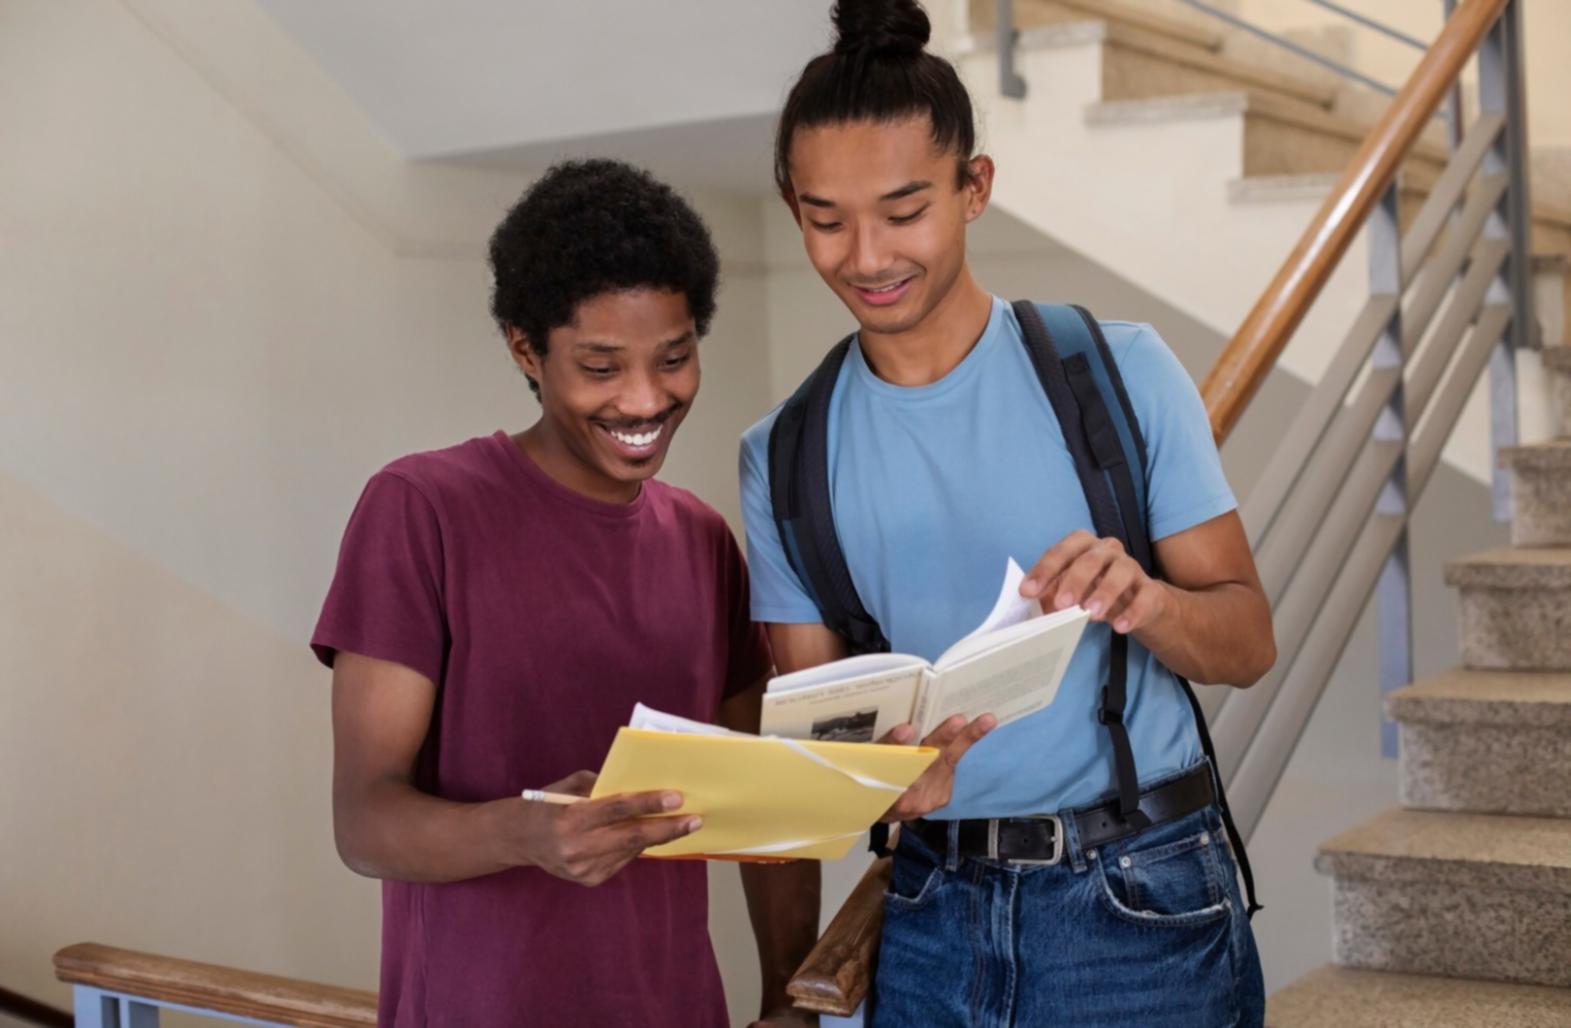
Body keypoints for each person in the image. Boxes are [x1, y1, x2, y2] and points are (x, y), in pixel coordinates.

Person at [739, 2, 1277, 1024]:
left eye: (904, 210)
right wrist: (875, 782)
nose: (865, 254)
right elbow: (816, 735)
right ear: (790, 205)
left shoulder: (1116, 371)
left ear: (972, 187)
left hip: (1138, 905)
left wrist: (1147, 600)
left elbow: (1245, 642)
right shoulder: (781, 453)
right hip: (927, 910)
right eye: (824, 218)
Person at [313, 159, 815, 1027]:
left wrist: (788, 1000)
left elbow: (766, 803)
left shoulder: (701, 540)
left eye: (674, 357)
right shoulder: (422, 509)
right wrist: (524, 834)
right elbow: (365, 820)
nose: (645, 398)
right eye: (599, 366)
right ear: (524, 350)